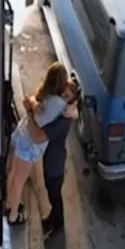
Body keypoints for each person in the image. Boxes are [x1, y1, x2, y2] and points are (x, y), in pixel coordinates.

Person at [6, 63, 77, 224]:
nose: (64, 96)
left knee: (13, 173)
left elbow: (30, 99)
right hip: (29, 143)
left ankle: (10, 203)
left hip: (20, 133)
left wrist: (31, 107)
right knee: (19, 181)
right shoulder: (60, 105)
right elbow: (38, 136)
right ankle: (13, 215)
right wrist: (72, 108)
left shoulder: (45, 93)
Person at [25, 85, 77, 238]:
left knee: (54, 195)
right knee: (52, 193)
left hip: (54, 165)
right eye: (62, 93)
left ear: (70, 102)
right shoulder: (58, 113)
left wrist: (29, 115)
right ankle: (52, 219)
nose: (61, 98)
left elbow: (38, 136)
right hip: (53, 160)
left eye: (66, 97)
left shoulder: (61, 121)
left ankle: (58, 225)